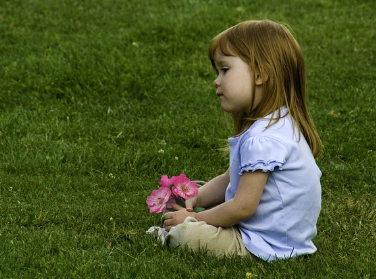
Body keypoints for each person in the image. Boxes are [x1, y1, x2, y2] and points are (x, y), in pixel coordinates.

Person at [162, 20, 322, 261]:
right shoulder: (278, 122)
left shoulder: (263, 138)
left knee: (187, 235)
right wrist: (197, 197)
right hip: (271, 232)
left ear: (260, 75)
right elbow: (230, 178)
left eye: (225, 70)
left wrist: (193, 219)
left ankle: (171, 230)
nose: (217, 80)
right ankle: (185, 215)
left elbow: (243, 207)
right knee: (186, 195)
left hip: (265, 244)